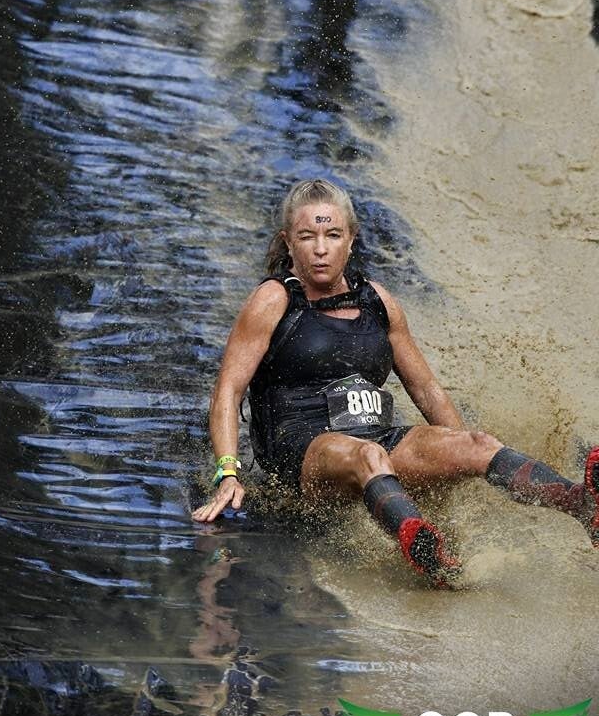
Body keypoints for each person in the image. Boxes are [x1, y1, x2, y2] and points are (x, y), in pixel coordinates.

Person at [192, 179, 599, 585]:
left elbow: (426, 390)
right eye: (306, 236)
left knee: (477, 444)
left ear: (351, 239)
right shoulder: (273, 300)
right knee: (367, 456)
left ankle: (580, 504)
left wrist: (459, 458)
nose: (320, 249)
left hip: (377, 438)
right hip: (302, 452)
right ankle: (427, 554)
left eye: (332, 235)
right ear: (288, 242)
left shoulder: (378, 301)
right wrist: (228, 472)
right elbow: (228, 390)